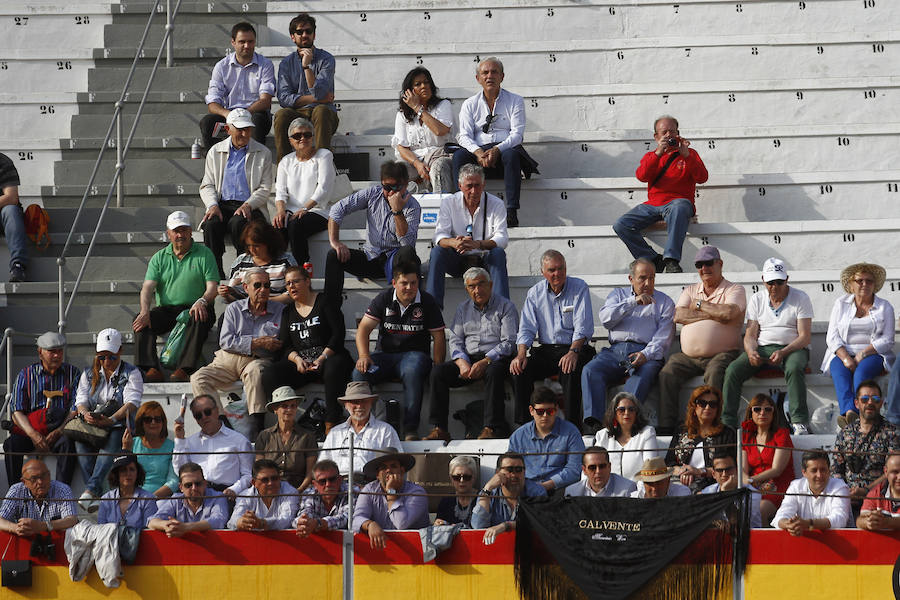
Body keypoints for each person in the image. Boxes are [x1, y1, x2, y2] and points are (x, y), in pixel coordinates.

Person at [656, 246, 746, 435]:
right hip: (689, 357)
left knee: (715, 372)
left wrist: (698, 305)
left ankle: (712, 426)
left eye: (708, 263)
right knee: (667, 373)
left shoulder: (735, 289)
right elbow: (678, 315)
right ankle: (666, 427)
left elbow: (728, 313)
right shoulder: (690, 289)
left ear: (720, 264)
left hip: (723, 353)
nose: (704, 268)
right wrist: (713, 315)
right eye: (699, 264)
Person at [353, 260, 445, 439]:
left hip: (415, 356)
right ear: (394, 283)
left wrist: (438, 366)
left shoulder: (427, 301)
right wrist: (364, 355)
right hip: (384, 355)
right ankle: (364, 426)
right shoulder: (384, 298)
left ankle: (410, 429)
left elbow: (439, 336)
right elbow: (363, 329)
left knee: (412, 370)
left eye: (413, 283)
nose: (409, 287)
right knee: (359, 374)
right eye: (404, 283)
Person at [581, 258, 674, 430]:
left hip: (647, 353)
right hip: (615, 352)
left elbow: (664, 337)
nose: (648, 283)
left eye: (652, 278)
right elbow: (606, 320)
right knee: (590, 370)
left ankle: (623, 424)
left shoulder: (665, 302)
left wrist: (645, 355)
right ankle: (595, 425)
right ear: (631, 279)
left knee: (640, 377)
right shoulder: (618, 295)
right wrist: (633, 302)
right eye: (642, 278)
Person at [190, 267, 283, 440]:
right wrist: (257, 342)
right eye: (257, 285)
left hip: (257, 359)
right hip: (227, 359)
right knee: (198, 378)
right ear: (246, 288)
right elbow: (226, 341)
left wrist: (247, 342)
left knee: (255, 370)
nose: (263, 290)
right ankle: (222, 424)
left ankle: (258, 427)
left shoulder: (279, 310)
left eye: (267, 285)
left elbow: (276, 343)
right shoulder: (234, 309)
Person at [427, 266, 518, 441]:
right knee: (438, 372)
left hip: (496, 358)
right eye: (472, 286)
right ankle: (439, 428)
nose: (477, 290)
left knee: (494, 371)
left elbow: (509, 342)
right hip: (469, 359)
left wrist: (486, 361)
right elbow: (455, 340)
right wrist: (461, 362)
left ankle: (491, 427)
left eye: (481, 284)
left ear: (490, 285)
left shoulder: (506, 306)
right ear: (467, 289)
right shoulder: (463, 309)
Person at [722, 258, 813, 430]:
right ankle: (728, 423)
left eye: (779, 281)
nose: (774, 286)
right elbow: (750, 334)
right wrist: (750, 352)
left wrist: (784, 352)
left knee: (794, 368)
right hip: (763, 348)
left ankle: (799, 420)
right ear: (763, 280)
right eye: (771, 282)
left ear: (787, 279)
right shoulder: (757, 299)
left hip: (793, 348)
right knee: (733, 370)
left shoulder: (801, 297)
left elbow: (804, 337)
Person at [510, 249, 594, 430]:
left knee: (570, 368)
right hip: (547, 350)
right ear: (543, 273)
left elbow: (583, 327)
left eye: (561, 268)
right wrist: (521, 353)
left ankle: (573, 426)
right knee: (519, 369)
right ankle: (524, 424)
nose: (557, 274)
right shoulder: (534, 293)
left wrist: (573, 352)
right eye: (552, 270)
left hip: (575, 347)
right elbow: (526, 328)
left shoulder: (579, 287)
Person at [613, 115, 708, 273]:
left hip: (679, 202)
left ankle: (671, 260)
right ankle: (652, 258)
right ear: (656, 137)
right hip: (653, 205)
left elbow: (702, 178)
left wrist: (687, 156)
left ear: (678, 133)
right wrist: (658, 153)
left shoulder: (689, 153)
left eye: (672, 131)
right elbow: (641, 176)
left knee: (679, 206)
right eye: (664, 132)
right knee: (621, 224)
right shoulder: (652, 156)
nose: (669, 135)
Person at [133, 210, 218, 383]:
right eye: (176, 231)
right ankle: (151, 368)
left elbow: (212, 288)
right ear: (168, 234)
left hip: (197, 306)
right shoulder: (159, 257)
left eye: (184, 230)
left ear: (190, 231)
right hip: (167, 310)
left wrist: (202, 301)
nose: (180, 235)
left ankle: (185, 368)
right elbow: (147, 288)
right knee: (140, 320)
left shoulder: (205, 254)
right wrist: (144, 311)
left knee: (199, 316)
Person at [453, 57, 538, 228]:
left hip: (504, 152)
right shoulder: (469, 104)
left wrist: (497, 150)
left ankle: (512, 212)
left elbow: (517, 134)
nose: (489, 76)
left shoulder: (515, 100)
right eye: (485, 72)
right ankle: (462, 210)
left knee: (512, 154)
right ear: (478, 78)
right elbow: (463, 136)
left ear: (502, 76)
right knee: (459, 156)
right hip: (478, 155)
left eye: (494, 72)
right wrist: (477, 152)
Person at [324, 161, 421, 305]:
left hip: (395, 261)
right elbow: (337, 209)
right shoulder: (373, 193)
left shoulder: (412, 206)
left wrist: (397, 212)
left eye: (396, 187)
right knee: (334, 255)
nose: (391, 192)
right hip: (371, 257)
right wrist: (335, 242)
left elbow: (407, 244)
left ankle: (409, 309)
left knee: (408, 253)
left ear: (406, 185)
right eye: (387, 187)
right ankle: (330, 311)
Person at [270, 265, 353, 432]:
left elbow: (338, 335)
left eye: (295, 281)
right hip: (304, 364)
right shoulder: (288, 311)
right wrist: (297, 360)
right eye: (288, 284)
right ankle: (286, 422)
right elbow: (285, 345)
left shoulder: (325, 302)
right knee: (270, 373)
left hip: (329, 358)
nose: (291, 286)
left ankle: (332, 423)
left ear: (307, 281)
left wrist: (322, 358)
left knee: (333, 367)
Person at [73, 328, 143, 512]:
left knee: (113, 439)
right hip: (94, 422)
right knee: (81, 443)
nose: (106, 362)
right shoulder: (88, 373)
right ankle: (95, 493)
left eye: (111, 357)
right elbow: (80, 401)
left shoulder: (132, 372)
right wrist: (85, 414)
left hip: (117, 423)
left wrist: (111, 420)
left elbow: (131, 403)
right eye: (102, 357)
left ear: (120, 351)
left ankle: (91, 490)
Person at [199, 108, 274, 279]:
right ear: (228, 129)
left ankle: (243, 271)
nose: (244, 133)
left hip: (250, 205)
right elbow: (207, 184)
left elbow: (264, 188)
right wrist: (212, 205)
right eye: (239, 129)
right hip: (222, 204)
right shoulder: (215, 151)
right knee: (210, 224)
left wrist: (248, 205)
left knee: (238, 223)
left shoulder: (263, 153)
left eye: (247, 128)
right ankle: (214, 272)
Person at [425, 164, 510, 308]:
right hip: (457, 260)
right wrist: (454, 243)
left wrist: (478, 244)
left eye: (477, 185)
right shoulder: (449, 202)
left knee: (498, 253)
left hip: (483, 260)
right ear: (459, 185)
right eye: (469, 186)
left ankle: (502, 309)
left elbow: (502, 239)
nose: (474, 191)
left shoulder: (496, 204)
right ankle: (432, 309)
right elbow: (439, 236)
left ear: (483, 185)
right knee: (437, 252)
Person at [822, 263, 895, 424]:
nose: (864, 284)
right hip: (843, 352)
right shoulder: (840, 304)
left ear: (874, 285)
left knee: (861, 373)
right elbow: (832, 336)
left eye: (869, 281)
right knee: (839, 371)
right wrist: (846, 358)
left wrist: (863, 353)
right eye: (859, 280)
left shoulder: (885, 307)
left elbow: (888, 339)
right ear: (851, 284)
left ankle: (858, 414)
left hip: (874, 353)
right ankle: (849, 412)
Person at [3, 331, 79, 486]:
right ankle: (16, 492)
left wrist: (60, 431)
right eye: (52, 352)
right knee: (11, 444)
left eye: (60, 351)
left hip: (60, 429)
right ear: (40, 352)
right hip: (31, 429)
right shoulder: (26, 374)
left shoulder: (73, 373)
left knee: (68, 444)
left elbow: (76, 407)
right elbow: (17, 410)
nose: (57, 356)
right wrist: (33, 434)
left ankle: (62, 495)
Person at [201, 22, 274, 150]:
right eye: (242, 42)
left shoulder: (266, 65)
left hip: (255, 113)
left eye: (251, 41)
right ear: (233, 42)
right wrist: (229, 115)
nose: (247, 46)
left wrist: (244, 114)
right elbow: (212, 103)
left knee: (258, 121)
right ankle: (215, 164)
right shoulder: (221, 67)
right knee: (208, 123)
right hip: (229, 116)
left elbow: (265, 101)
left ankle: (255, 165)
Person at [274, 12, 338, 159]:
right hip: (297, 112)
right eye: (299, 32)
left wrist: (306, 66)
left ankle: (322, 165)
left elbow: (320, 93)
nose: (304, 35)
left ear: (314, 35)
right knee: (281, 115)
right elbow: (284, 98)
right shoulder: (286, 63)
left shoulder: (326, 59)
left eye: (308, 31)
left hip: (324, 114)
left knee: (321, 110)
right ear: (292, 36)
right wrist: (315, 98)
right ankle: (283, 166)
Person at [273, 117, 335, 266]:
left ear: (313, 137)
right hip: (293, 212)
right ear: (290, 140)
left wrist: (305, 208)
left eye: (307, 134)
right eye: (297, 136)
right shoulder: (286, 161)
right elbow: (280, 191)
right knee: (277, 226)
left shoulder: (324, 155)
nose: (303, 138)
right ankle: (278, 270)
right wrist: (280, 211)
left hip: (319, 210)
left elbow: (323, 188)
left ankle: (302, 269)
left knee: (296, 225)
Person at [832, 380, 898, 511]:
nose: (870, 403)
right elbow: (836, 469)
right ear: (856, 403)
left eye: (875, 399)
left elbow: (893, 472)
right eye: (865, 399)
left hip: (878, 500)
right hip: (847, 499)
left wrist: (866, 490)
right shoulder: (846, 432)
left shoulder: (891, 433)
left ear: (881, 403)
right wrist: (845, 491)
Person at [172, 395, 253, 501]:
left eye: (207, 412)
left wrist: (234, 489)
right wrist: (179, 440)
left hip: (225, 494)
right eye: (198, 415)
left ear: (217, 411)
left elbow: (248, 475)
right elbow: (180, 471)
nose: (204, 417)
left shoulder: (239, 440)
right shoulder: (189, 442)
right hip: (196, 493)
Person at [508, 387, 584, 492]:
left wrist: (544, 487)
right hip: (526, 490)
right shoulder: (518, 436)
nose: (545, 416)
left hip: (560, 489)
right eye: (540, 412)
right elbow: (511, 468)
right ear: (531, 410)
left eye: (550, 411)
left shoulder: (571, 432)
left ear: (556, 410)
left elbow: (574, 470)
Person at [318, 382, 402, 477]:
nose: (359, 406)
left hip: (372, 486)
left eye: (364, 401)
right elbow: (323, 465)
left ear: (371, 403)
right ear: (346, 405)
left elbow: (396, 465)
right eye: (355, 402)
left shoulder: (385, 431)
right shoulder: (335, 433)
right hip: (339, 486)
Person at [392, 67, 454, 193]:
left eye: (426, 82)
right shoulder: (402, 114)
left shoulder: (443, 105)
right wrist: (417, 164)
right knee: (397, 170)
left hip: (440, 156)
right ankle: (399, 210)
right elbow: (402, 147)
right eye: (418, 84)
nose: (424, 86)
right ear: (409, 91)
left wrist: (417, 108)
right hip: (415, 161)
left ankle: (440, 208)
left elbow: (440, 130)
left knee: (438, 167)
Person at [665, 385, 737, 493]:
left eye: (713, 404)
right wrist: (682, 471)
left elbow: (730, 467)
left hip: (711, 485)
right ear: (694, 406)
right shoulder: (682, 431)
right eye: (702, 403)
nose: (707, 408)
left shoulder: (726, 433)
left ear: (718, 409)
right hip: (679, 481)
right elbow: (668, 463)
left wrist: (698, 471)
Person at [352, 448, 429, 549]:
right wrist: (369, 524)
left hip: (416, 553)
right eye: (383, 467)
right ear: (377, 475)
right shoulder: (369, 490)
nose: (388, 470)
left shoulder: (417, 492)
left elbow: (401, 524)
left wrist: (391, 492)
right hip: (381, 555)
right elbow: (356, 519)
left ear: (402, 471)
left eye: (393, 466)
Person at [740, 393, 795, 525]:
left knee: (760, 509)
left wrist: (751, 481)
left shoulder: (782, 434)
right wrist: (746, 481)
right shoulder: (746, 438)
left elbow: (777, 470)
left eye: (767, 409)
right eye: (757, 409)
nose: (762, 413)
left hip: (777, 486)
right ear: (751, 412)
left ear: (773, 413)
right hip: (752, 486)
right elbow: (742, 469)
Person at [471, 452, 547, 544]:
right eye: (509, 470)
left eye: (518, 470)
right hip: (497, 549)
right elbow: (478, 527)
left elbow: (540, 524)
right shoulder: (489, 493)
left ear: (524, 472)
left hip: (529, 547)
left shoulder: (537, 492)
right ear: (497, 473)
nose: (514, 475)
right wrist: (488, 488)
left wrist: (506, 526)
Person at [773, 449, 851, 534]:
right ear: (804, 472)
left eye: (823, 470)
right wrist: (789, 525)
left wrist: (808, 524)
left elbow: (840, 520)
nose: (819, 475)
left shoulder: (840, 487)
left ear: (829, 470)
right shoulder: (796, 486)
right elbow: (781, 516)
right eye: (814, 470)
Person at [219, 220, 297, 305]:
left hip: (279, 311)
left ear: (269, 244)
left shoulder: (286, 261)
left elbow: (293, 292)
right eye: (249, 245)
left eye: (256, 246)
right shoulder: (240, 261)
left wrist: (264, 302)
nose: (252, 250)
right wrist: (226, 294)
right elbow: (235, 297)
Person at [255, 386, 318, 490]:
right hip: (270, 490)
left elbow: (310, 474)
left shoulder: (307, 436)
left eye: (293, 406)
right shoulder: (264, 436)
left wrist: (297, 493)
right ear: (275, 409)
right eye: (284, 406)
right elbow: (259, 470)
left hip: (299, 489)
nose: (289, 410)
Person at [148, 462, 230, 536]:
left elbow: (219, 521)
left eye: (198, 484)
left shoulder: (218, 497)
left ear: (205, 484)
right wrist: (167, 525)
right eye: (188, 485)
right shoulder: (176, 500)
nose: (194, 488)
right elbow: (151, 521)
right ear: (181, 487)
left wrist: (186, 527)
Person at [0, 459, 77, 536]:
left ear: (49, 475)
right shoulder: (16, 490)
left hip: (56, 541)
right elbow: (1, 520)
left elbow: (71, 520)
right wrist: (16, 528)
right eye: (34, 479)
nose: (40, 482)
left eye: (43, 476)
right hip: (25, 539)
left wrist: (43, 526)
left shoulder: (62, 489)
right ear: (24, 482)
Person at [594, 392, 659, 482]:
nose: (626, 413)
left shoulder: (647, 433)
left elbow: (650, 470)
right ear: (614, 413)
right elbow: (592, 465)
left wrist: (637, 493)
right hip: (607, 492)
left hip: (638, 491)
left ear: (637, 413)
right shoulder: (602, 436)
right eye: (621, 409)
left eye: (631, 409)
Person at [122, 401, 178, 498]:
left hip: (161, 499)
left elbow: (173, 481)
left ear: (163, 422)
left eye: (157, 419)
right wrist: (125, 450)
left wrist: (151, 498)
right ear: (141, 422)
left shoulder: (172, 447)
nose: (153, 423)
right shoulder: (131, 443)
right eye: (148, 419)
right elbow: (122, 476)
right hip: (133, 497)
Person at [228, 459, 300, 531]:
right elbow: (232, 521)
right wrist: (241, 522)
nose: (270, 483)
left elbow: (287, 520)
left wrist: (262, 523)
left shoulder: (290, 492)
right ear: (254, 482)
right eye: (265, 480)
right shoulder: (245, 495)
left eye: (274, 478)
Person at [700, 450, 762, 529]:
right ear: (713, 474)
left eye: (728, 469)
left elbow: (738, 524)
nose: (724, 474)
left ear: (737, 470)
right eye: (720, 470)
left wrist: (726, 493)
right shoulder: (708, 492)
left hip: (750, 537)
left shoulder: (752, 493)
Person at [97, 453, 157, 529]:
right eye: (123, 470)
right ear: (116, 474)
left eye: (132, 469)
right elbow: (100, 530)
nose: (128, 474)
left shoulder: (148, 499)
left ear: (137, 473)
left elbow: (149, 531)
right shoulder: (105, 500)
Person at [295, 459, 353, 536]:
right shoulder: (309, 494)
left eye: (332, 479)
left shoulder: (351, 492)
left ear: (340, 480)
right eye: (322, 481)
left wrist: (318, 523)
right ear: (315, 484)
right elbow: (304, 514)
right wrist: (304, 523)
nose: (328, 484)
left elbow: (347, 518)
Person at [564, 446, 637, 498]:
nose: (598, 471)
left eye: (602, 466)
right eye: (592, 467)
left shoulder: (627, 489)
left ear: (609, 467)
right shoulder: (572, 493)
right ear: (584, 470)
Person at [0, 151, 27, 282]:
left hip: (2, 216)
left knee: (11, 211)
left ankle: (18, 266)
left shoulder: (3, 162)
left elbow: (11, 198)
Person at [857, 452, 900, 530]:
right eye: (895, 472)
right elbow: (860, 520)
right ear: (886, 472)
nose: (899, 477)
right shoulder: (876, 493)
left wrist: (886, 522)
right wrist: (868, 522)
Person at [434, 456, 479, 527]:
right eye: (457, 477)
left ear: (474, 477)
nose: (462, 481)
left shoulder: (482, 499)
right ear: (451, 478)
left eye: (466, 477)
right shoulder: (446, 501)